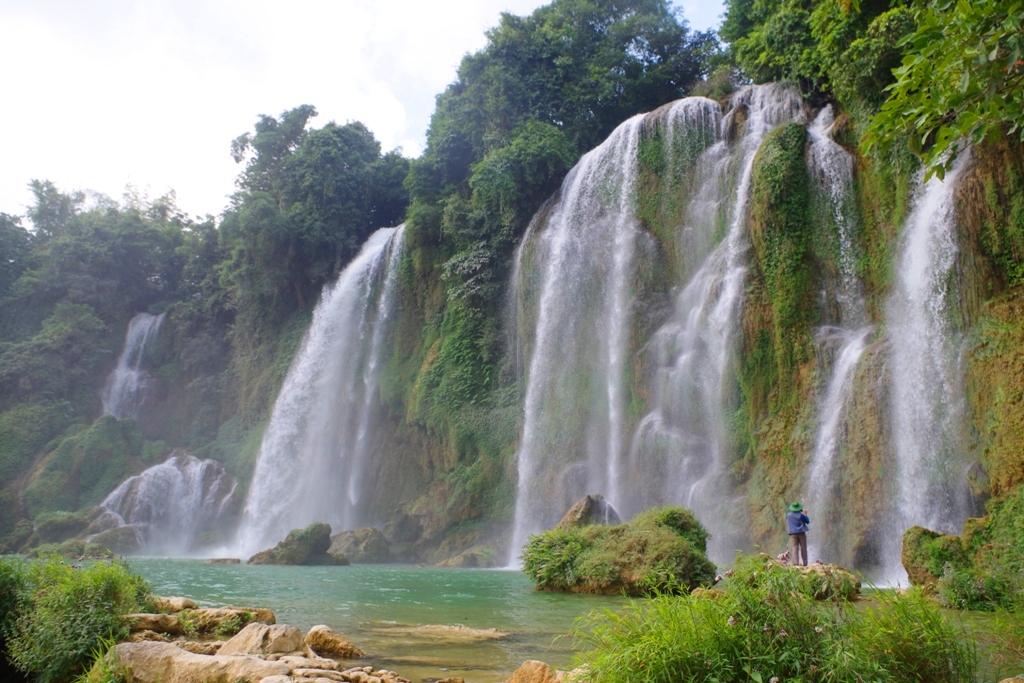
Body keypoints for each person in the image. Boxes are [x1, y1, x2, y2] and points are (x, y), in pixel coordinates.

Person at [786, 502, 810, 566]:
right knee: (803, 548)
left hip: (793, 534)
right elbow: (807, 521)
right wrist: (805, 514)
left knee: (794, 547)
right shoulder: (801, 515)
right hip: (801, 533)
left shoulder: (788, 515)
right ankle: (805, 563)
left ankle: (796, 563)